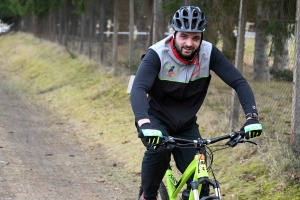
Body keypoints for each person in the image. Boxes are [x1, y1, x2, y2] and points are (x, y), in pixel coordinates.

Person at [130, 6, 263, 200]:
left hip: (186, 125)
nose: (189, 43)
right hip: (155, 120)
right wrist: (144, 123)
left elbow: (239, 82)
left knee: (200, 186)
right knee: (158, 151)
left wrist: (252, 117)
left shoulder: (209, 53)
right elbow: (138, 89)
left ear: (201, 37)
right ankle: (147, 196)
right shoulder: (157, 54)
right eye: (184, 36)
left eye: (195, 38)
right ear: (173, 33)